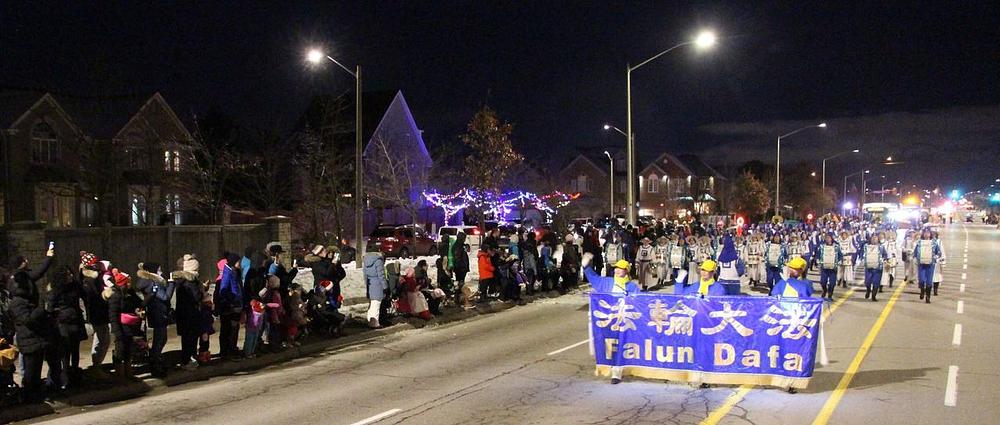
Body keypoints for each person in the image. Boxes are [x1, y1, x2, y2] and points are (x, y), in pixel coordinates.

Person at [8, 246, 60, 402]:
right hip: (28, 338)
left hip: (36, 338)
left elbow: (38, 272)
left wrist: (49, 258)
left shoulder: (24, 289)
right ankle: (29, 397)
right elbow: (27, 319)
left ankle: (36, 394)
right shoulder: (18, 301)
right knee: (30, 371)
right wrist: (42, 308)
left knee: (36, 369)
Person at [580, 252, 640, 385]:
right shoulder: (607, 282)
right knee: (610, 346)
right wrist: (586, 266)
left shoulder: (632, 287)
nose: (617, 270)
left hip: (624, 322)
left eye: (621, 268)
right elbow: (594, 278)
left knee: (622, 346)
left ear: (626, 271)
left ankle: (617, 372)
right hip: (609, 321)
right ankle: (612, 367)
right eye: (616, 268)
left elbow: (639, 303)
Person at [49, 266, 87, 388]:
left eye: (71, 274)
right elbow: (51, 306)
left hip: (76, 321)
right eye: (68, 274)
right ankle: (65, 376)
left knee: (75, 349)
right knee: (65, 351)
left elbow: (83, 294)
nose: (70, 276)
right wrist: (59, 316)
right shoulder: (57, 290)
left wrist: (81, 274)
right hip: (64, 324)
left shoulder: (75, 286)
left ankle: (75, 374)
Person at [136, 262, 174, 377]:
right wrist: (171, 284)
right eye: (159, 270)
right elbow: (165, 297)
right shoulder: (154, 282)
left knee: (161, 338)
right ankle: (155, 363)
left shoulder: (147, 281)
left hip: (156, 313)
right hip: (159, 313)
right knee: (160, 339)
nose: (161, 272)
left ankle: (155, 359)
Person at [173, 254, 210, 369]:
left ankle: (189, 359)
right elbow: (196, 296)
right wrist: (203, 292)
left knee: (188, 339)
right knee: (190, 340)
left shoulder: (182, 281)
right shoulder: (190, 282)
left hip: (186, 315)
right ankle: (188, 361)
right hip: (190, 315)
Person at [106, 269, 143, 381]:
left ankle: (128, 373)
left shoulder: (129, 294)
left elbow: (139, 303)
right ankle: (120, 375)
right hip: (120, 327)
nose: (129, 284)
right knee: (120, 351)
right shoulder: (116, 297)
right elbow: (113, 315)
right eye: (127, 282)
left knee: (128, 350)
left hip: (129, 327)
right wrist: (117, 332)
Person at [78, 254, 112, 375]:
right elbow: (95, 298)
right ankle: (96, 366)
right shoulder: (89, 281)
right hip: (97, 313)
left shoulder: (89, 278)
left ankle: (97, 365)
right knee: (103, 340)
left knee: (101, 339)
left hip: (98, 312)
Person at [215, 253, 244, 360]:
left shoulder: (234, 272)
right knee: (229, 330)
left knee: (233, 329)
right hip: (230, 307)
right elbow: (224, 290)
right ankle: (228, 352)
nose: (240, 264)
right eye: (238, 261)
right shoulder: (228, 273)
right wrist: (232, 300)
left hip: (234, 305)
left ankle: (230, 350)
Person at [913, 228, 941, 303]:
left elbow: (939, 253)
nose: (926, 234)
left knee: (929, 281)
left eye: (928, 232)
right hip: (921, 264)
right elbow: (915, 253)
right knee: (921, 280)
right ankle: (922, 290)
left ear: (930, 234)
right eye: (925, 232)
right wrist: (915, 259)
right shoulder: (919, 242)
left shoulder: (934, 243)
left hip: (930, 265)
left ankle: (928, 297)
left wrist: (935, 257)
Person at [363, 252, 388, 328]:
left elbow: (365, 276)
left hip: (370, 285)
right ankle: (375, 323)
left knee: (372, 304)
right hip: (378, 285)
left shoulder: (366, 261)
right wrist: (385, 286)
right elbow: (381, 275)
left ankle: (369, 320)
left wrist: (367, 285)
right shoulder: (378, 261)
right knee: (376, 305)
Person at [815, 234, 842, 301]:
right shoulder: (822, 246)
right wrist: (817, 260)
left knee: (832, 283)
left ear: (831, 238)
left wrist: (839, 261)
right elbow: (818, 254)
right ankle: (824, 290)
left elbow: (840, 255)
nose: (828, 239)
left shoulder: (836, 246)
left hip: (833, 268)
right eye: (826, 238)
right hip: (824, 268)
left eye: (829, 238)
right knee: (823, 282)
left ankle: (830, 295)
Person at [861, 234, 887, 301]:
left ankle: (873, 295)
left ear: (878, 239)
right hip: (869, 267)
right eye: (873, 238)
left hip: (878, 268)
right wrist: (863, 259)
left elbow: (885, 255)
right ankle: (868, 290)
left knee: (876, 282)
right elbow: (862, 254)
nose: (874, 240)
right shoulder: (866, 246)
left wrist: (884, 260)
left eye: (876, 238)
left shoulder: (881, 247)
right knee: (867, 281)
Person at [451, 232, 470, 306]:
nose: (465, 239)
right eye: (464, 238)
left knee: (460, 283)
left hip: (461, 268)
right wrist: (462, 267)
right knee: (460, 284)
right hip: (460, 268)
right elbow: (457, 258)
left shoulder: (460, 245)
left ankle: (460, 298)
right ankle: (458, 299)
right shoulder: (458, 246)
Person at [931, 231, 947, 296]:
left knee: (936, 277)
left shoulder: (939, 242)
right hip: (928, 262)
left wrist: (943, 261)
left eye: (934, 234)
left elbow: (942, 251)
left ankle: (935, 290)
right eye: (932, 234)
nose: (933, 236)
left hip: (936, 262)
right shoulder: (927, 241)